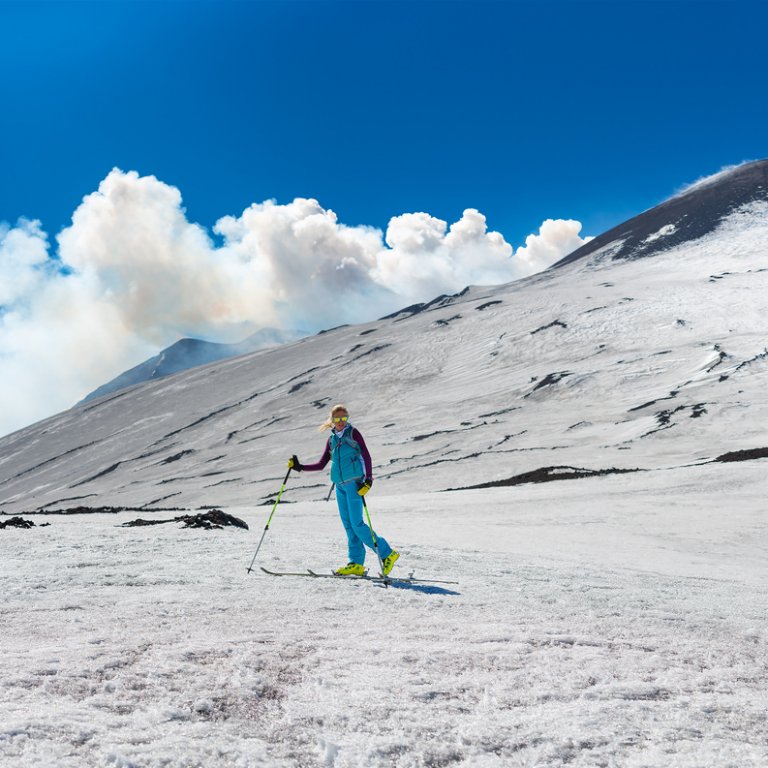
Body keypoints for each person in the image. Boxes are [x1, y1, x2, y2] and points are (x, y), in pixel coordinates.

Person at [288, 404, 400, 577]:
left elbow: (367, 456)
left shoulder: (353, 433)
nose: (341, 422)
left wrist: (368, 481)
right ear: (332, 420)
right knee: (348, 526)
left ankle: (387, 553)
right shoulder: (331, 440)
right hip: (339, 486)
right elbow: (321, 464)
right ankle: (356, 563)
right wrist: (299, 467)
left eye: (344, 418)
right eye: (337, 419)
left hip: (354, 484)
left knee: (357, 524)